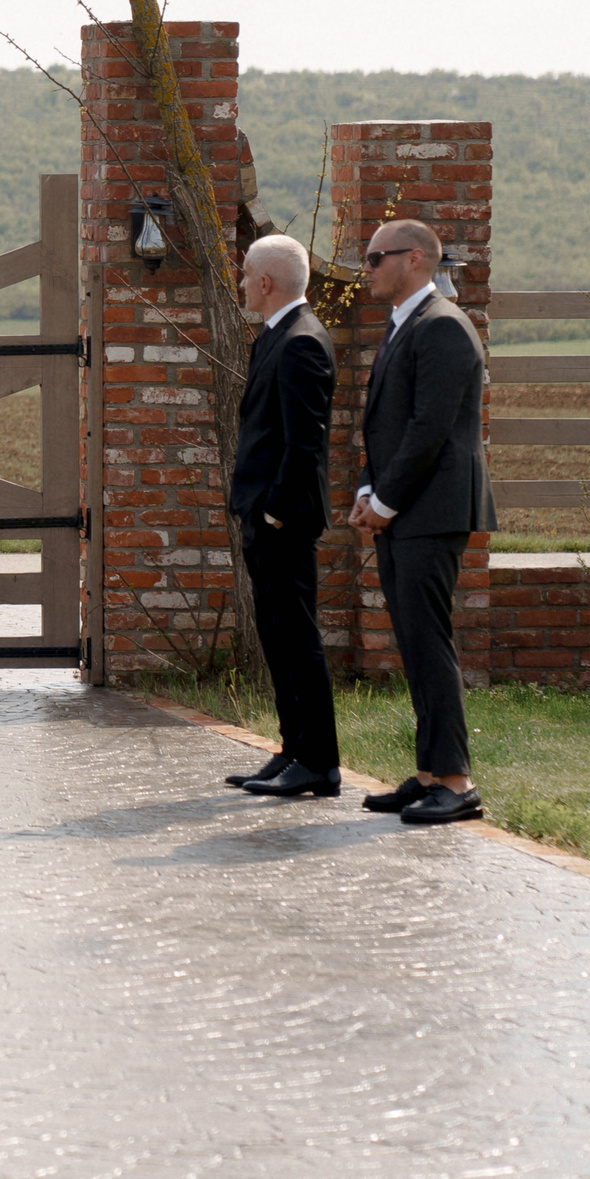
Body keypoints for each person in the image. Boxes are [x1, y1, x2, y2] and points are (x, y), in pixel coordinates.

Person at [349, 218, 496, 825]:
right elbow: (385, 425)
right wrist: (368, 488)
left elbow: (428, 430)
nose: (367, 269)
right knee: (412, 641)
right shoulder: (406, 324)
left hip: (429, 512)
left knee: (430, 644)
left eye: (375, 258)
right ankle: (431, 772)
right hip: (403, 508)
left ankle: (457, 783)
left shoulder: (442, 328)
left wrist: (385, 504)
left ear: (414, 259)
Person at [221, 234, 342, 799]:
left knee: (297, 636)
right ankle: (293, 749)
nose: (242, 284)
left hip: (283, 519)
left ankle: (318, 761)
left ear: (265, 282)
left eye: (246, 275)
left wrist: (274, 512)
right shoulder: (274, 336)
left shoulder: (301, 342)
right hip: (262, 513)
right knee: (276, 634)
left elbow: (305, 441)